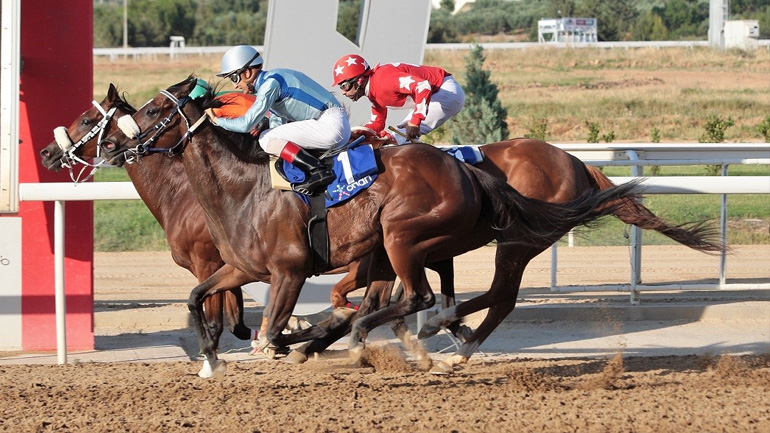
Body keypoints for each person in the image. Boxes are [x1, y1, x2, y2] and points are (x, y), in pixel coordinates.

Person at [205, 45, 351, 195]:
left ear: (247, 72)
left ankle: (317, 169)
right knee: (270, 136)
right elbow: (277, 122)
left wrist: (216, 120)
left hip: (330, 125)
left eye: (234, 78)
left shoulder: (270, 84)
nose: (235, 85)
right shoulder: (274, 77)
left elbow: (246, 124)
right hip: (334, 124)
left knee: (265, 138)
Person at [331, 54, 465, 144]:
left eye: (345, 86)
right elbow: (377, 123)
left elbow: (423, 87)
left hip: (446, 91)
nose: (343, 92)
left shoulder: (383, 81)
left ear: (359, 80)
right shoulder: (373, 92)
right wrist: (356, 134)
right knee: (395, 136)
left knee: (397, 138)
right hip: (436, 94)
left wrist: (415, 121)